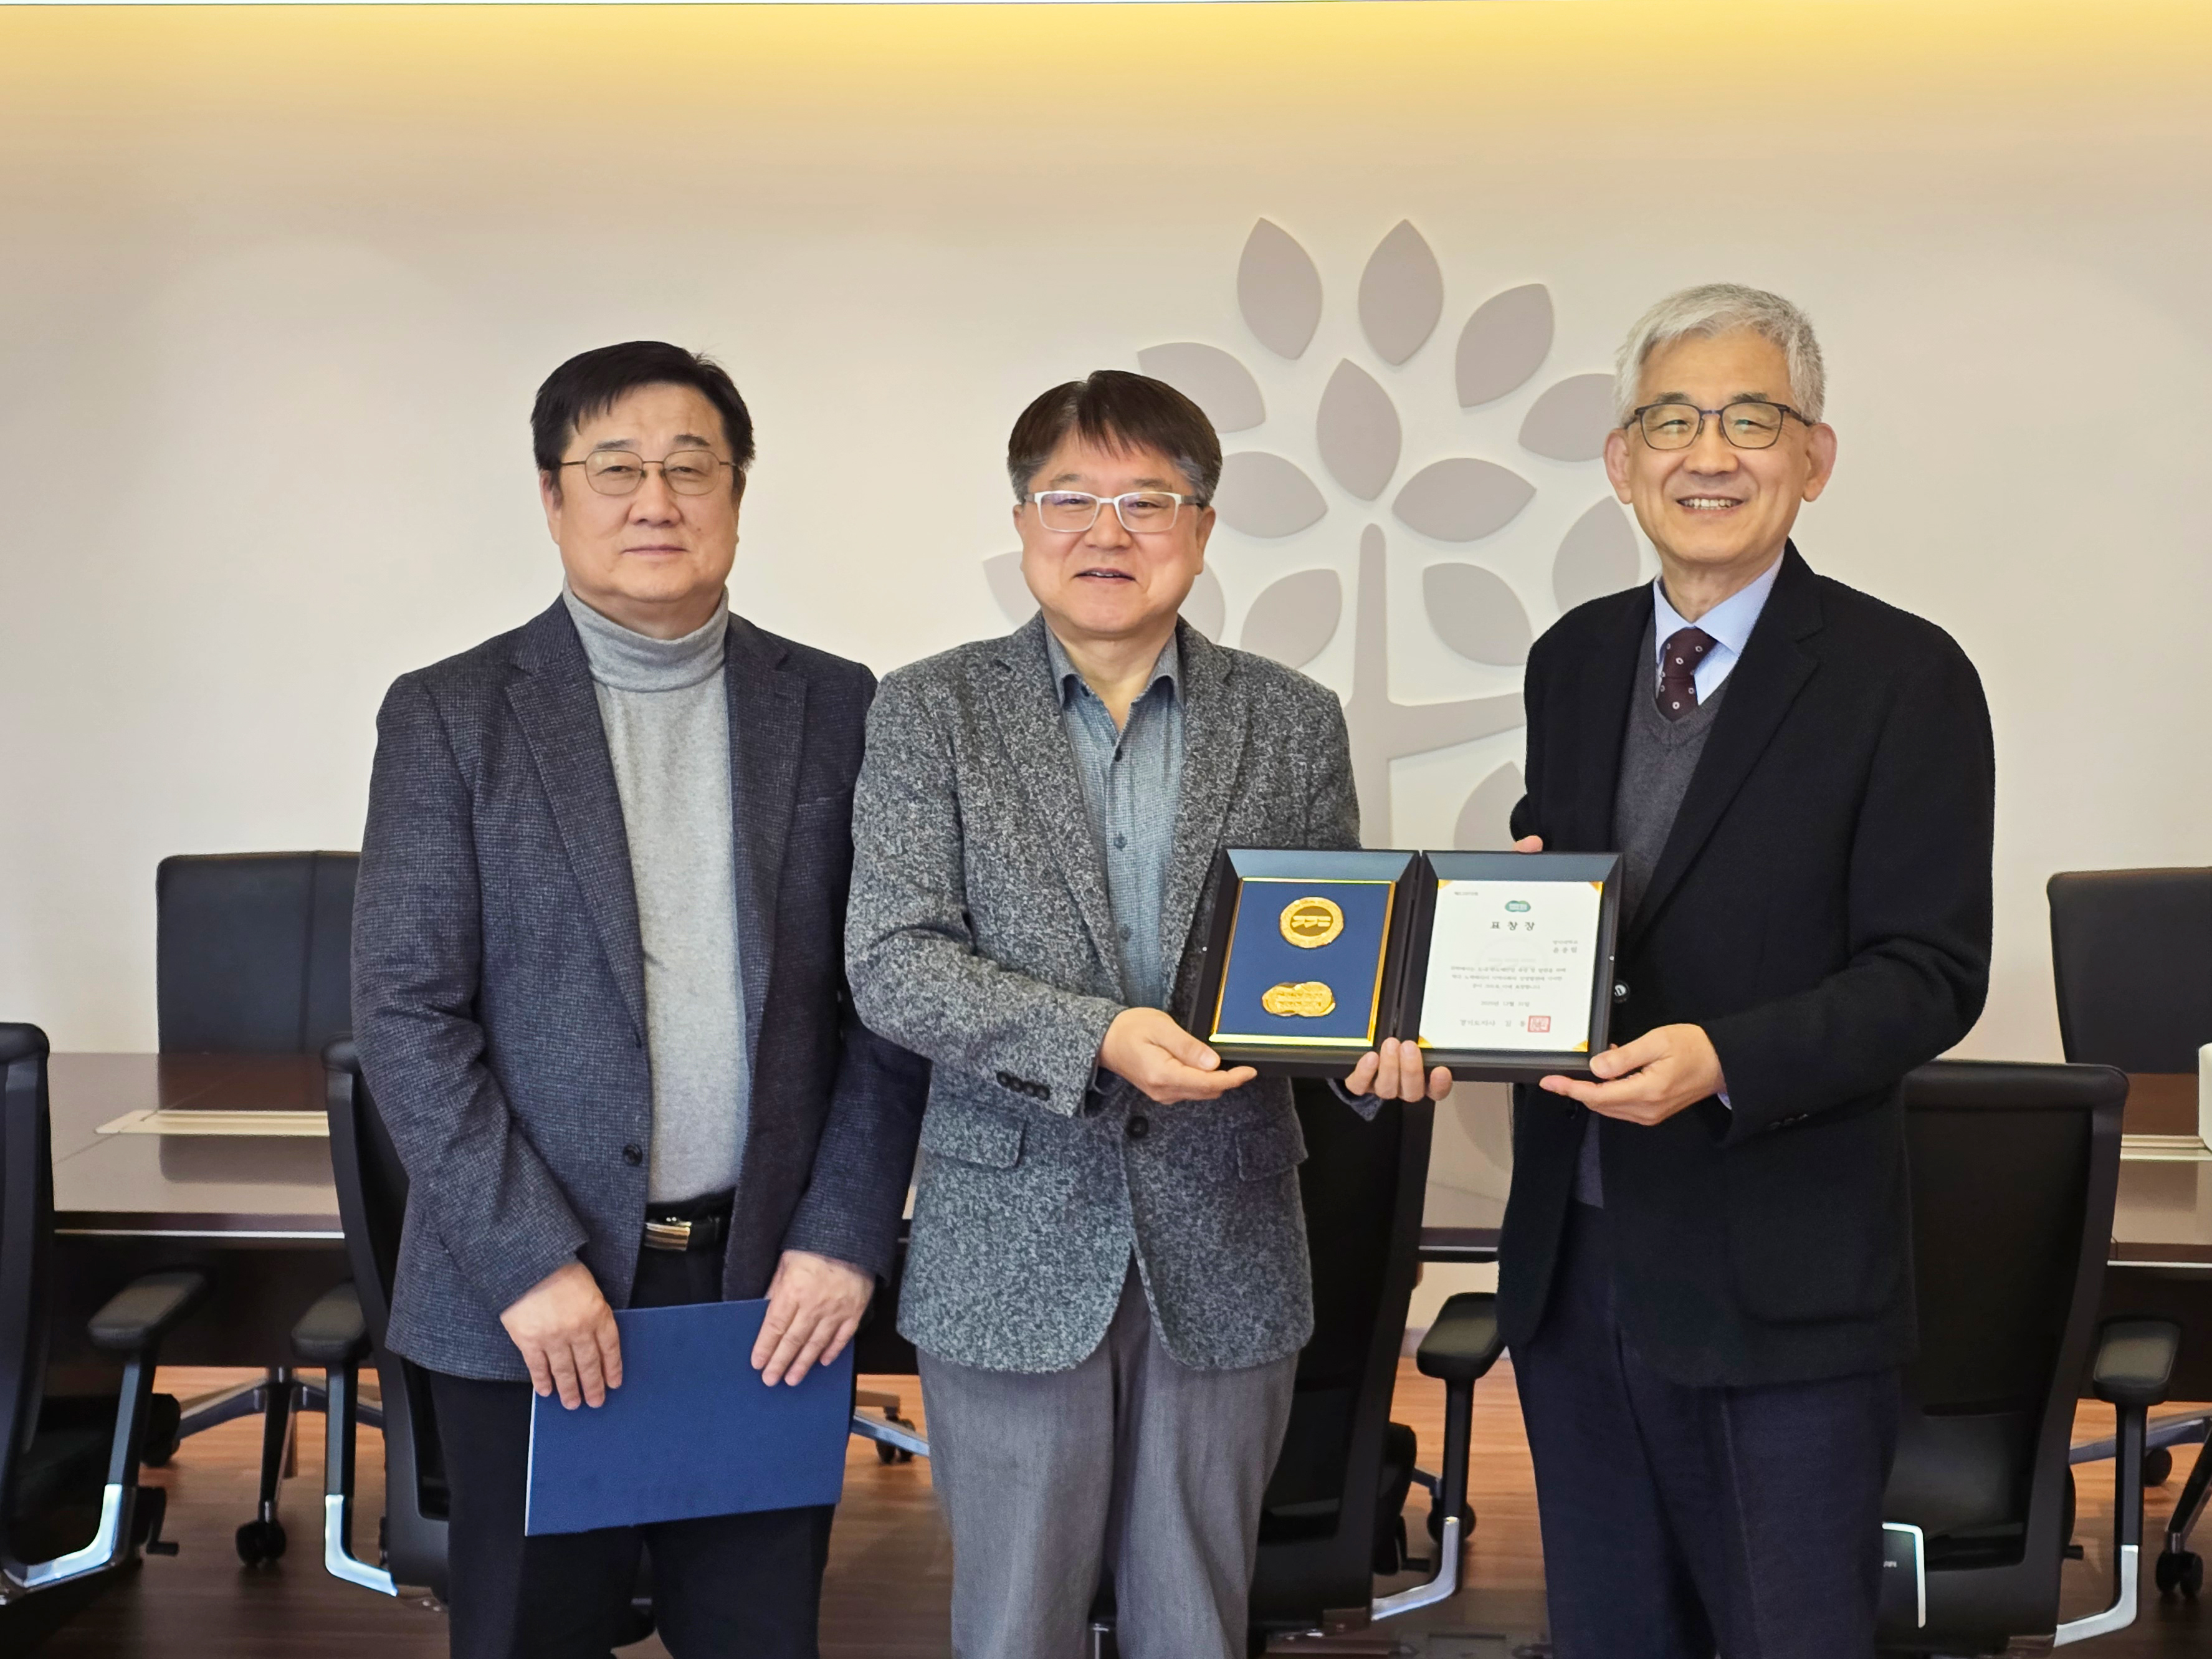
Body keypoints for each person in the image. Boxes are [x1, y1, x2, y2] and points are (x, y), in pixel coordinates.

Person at [844, 370, 1446, 1659]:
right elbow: (893, 960)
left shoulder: (1288, 719)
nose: (1105, 532)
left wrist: (1375, 1056)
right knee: (1014, 1624)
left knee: (1197, 1620)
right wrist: (1096, 1038)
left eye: (1146, 500)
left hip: (1225, 1232)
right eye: (1070, 498)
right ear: (1022, 521)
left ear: (1203, 527)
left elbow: (1330, 964)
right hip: (1007, 1241)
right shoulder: (929, 710)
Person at [351, 340, 928, 1659]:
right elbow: (406, 1013)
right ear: (553, 496)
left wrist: (843, 1236)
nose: (654, 500)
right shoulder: (451, 713)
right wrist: (529, 1259)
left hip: (768, 1292)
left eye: (690, 467)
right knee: (530, 1635)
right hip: (535, 1304)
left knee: (757, 1637)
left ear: (738, 493)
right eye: (614, 468)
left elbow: (887, 1001)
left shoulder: (838, 705)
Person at [1499, 285, 1995, 1657]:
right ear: (1621, 461)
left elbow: (1931, 969)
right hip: (1575, 1262)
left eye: (1749, 420)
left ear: (1812, 457)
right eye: (1670, 421)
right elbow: (1564, 895)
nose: (1706, 454)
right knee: (1608, 1633)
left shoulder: (1904, 676)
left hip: (1781, 1279)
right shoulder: (1572, 658)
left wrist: (1725, 1058)